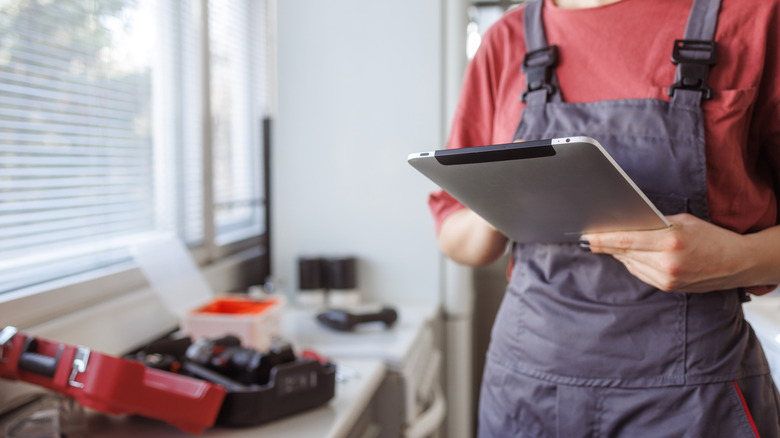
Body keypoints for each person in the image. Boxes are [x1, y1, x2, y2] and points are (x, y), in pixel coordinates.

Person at [429, 0, 780, 436]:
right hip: (526, 400)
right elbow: (451, 232)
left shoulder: (754, 18)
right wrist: (506, 195)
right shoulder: (506, 38)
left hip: (693, 403)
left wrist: (736, 257)